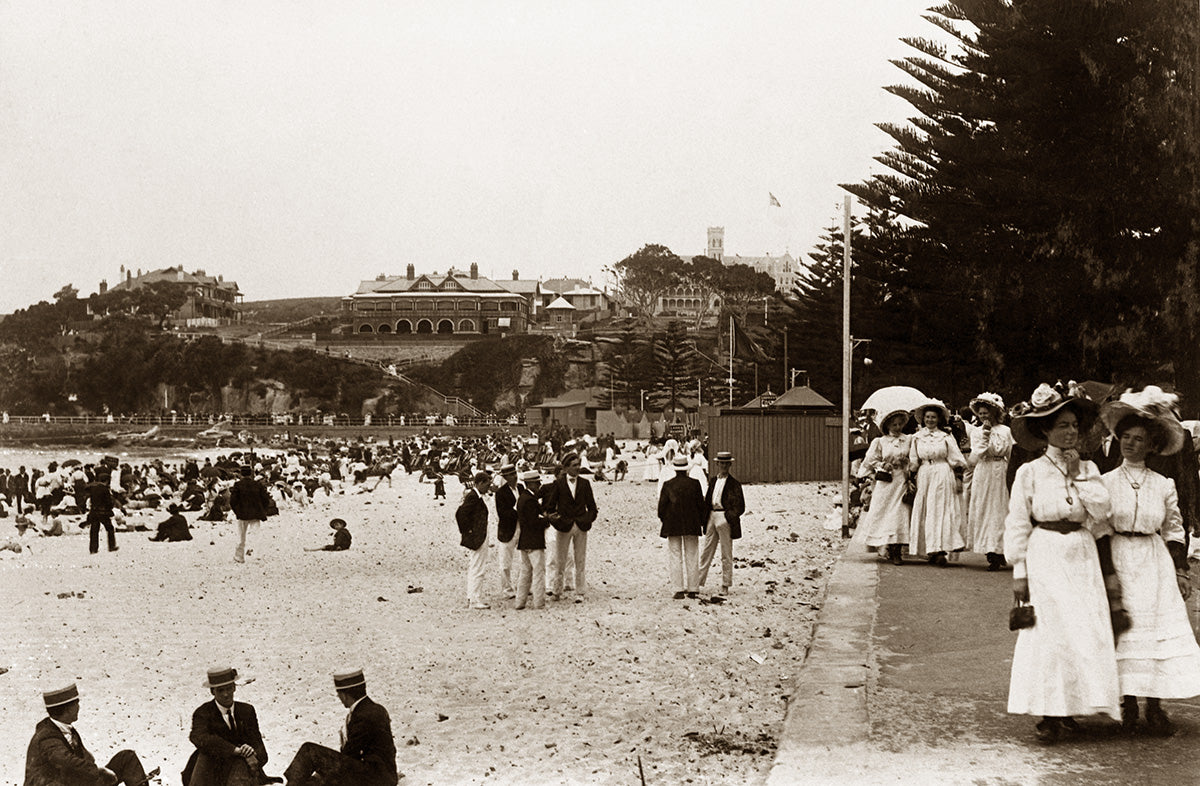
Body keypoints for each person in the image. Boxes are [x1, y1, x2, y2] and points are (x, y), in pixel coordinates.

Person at [1005, 382, 1122, 744]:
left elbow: (1104, 511)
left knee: (1081, 630)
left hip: (1081, 553)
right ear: (1045, 431)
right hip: (1046, 555)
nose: (1071, 432)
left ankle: (1073, 707)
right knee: (1050, 634)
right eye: (1062, 426)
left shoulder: (1089, 468)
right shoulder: (1031, 472)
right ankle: (1048, 713)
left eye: (1074, 425)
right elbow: (1018, 522)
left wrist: (1077, 476)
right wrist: (1019, 571)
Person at [1099, 386, 1200, 735]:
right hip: (1119, 556)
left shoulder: (1163, 484)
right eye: (1125, 437)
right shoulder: (1106, 481)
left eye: (1138, 439)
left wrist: (1180, 569)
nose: (1130, 444)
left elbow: (1173, 529)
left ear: (1152, 445)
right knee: (1126, 631)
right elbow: (1098, 527)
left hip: (1153, 561)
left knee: (1155, 632)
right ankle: (1126, 704)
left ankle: (1154, 706)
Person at [24, 681, 156, 786]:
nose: (79, 708)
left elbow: (83, 760)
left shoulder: (65, 729)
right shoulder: (46, 736)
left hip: (75, 782)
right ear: (67, 709)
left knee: (127, 758)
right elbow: (65, 761)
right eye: (76, 704)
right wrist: (98, 770)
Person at [282, 670, 398, 786]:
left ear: (345, 695)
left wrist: (323, 771)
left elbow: (350, 753)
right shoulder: (376, 709)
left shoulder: (362, 716)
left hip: (374, 778)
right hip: (383, 775)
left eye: (339, 694)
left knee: (309, 751)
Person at [182, 667, 271, 786]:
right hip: (212, 771)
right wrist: (235, 750)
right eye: (220, 690)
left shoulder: (247, 711)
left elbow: (261, 750)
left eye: (229, 688)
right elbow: (198, 737)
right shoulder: (203, 713)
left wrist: (251, 752)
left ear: (234, 687)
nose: (226, 694)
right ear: (212, 692)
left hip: (242, 771)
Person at [908, 399, 967, 566]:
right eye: (927, 417)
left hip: (942, 472)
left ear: (938, 419)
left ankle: (941, 549)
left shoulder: (946, 437)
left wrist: (958, 474)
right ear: (923, 419)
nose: (930, 420)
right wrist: (909, 474)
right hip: (925, 472)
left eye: (933, 417)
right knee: (927, 510)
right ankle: (929, 549)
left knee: (941, 509)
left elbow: (956, 458)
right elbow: (913, 460)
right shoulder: (917, 438)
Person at [856, 409, 914, 566]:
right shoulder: (880, 442)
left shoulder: (908, 440)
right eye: (893, 424)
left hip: (901, 481)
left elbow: (915, 457)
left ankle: (897, 551)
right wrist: (883, 464)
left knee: (900, 513)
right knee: (884, 513)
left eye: (899, 424)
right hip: (886, 482)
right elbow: (870, 461)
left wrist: (906, 462)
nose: (897, 427)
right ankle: (885, 547)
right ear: (887, 426)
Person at [965, 392, 1013, 571]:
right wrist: (985, 434)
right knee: (985, 509)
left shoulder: (1006, 431)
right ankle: (990, 552)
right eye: (981, 413)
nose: (984, 416)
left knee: (1001, 509)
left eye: (987, 412)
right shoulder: (977, 432)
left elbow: (1009, 452)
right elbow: (979, 453)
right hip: (984, 471)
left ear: (994, 412)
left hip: (1001, 471)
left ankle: (1001, 550)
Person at [544, 452, 599, 602]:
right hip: (564, 526)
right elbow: (550, 508)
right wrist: (558, 522)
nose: (578, 468)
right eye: (574, 465)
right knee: (560, 560)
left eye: (578, 465)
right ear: (566, 467)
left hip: (581, 526)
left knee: (580, 560)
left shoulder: (585, 484)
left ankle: (580, 592)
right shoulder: (559, 484)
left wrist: (587, 520)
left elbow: (593, 507)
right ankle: (557, 590)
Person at [658, 454, 706, 599]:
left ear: (675, 469)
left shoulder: (668, 485)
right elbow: (701, 506)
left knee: (675, 555)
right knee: (692, 554)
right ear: (686, 469)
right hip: (691, 523)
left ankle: (678, 589)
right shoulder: (695, 484)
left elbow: (661, 509)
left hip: (673, 524)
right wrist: (701, 522)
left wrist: (665, 520)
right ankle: (693, 588)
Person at [698, 451, 746, 594]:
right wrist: (704, 519)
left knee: (726, 552)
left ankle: (725, 584)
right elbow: (707, 501)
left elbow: (740, 506)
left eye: (726, 463)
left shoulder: (734, 484)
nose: (723, 466)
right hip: (712, 515)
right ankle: (698, 582)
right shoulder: (713, 481)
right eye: (721, 463)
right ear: (717, 464)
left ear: (730, 464)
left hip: (724, 516)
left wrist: (728, 516)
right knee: (707, 551)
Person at [456, 471, 492, 610]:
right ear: (480, 483)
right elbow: (460, 514)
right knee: (478, 567)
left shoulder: (475, 496)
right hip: (478, 536)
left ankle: (472, 597)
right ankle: (474, 599)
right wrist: (468, 532)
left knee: (475, 566)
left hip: (479, 534)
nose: (488, 487)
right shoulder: (473, 497)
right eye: (487, 484)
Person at [514, 470, 549, 610]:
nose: (539, 484)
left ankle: (520, 602)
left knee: (525, 573)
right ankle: (538, 602)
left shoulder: (523, 498)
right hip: (534, 541)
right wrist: (547, 520)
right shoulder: (530, 500)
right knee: (538, 572)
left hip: (524, 541)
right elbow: (534, 522)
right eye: (537, 482)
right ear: (531, 484)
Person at [229, 466, 271, 564]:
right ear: (251, 473)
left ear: (241, 474)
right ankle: (257, 557)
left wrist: (237, 512)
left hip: (242, 514)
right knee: (256, 536)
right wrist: (262, 510)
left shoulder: (238, 485)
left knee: (241, 537)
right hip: (256, 513)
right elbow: (265, 499)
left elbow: (233, 501)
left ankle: (239, 557)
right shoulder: (257, 484)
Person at [493, 464, 521, 600]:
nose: (514, 476)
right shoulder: (500, 493)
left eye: (514, 473)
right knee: (505, 562)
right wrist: (519, 512)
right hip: (507, 529)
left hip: (522, 527)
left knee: (526, 559)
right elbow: (503, 513)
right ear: (505, 477)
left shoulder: (521, 488)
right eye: (511, 474)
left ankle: (523, 586)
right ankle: (507, 589)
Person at [84, 468, 122, 555]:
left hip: (93, 511)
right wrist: (110, 509)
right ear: (107, 481)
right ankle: (111, 546)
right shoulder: (104, 489)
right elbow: (108, 502)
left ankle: (93, 549)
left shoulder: (93, 488)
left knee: (94, 531)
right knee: (110, 529)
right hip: (103, 512)